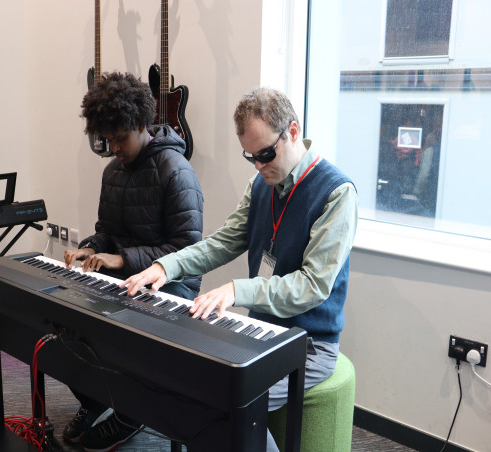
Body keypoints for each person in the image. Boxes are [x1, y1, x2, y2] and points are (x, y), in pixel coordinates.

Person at [122, 87, 359, 451]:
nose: (259, 165)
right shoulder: (261, 185)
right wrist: (165, 267)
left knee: (226, 404)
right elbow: (222, 242)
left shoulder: (337, 193)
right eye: (251, 157)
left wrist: (236, 290)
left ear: (293, 132)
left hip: (309, 344)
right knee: (187, 384)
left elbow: (312, 285)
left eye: (265, 154)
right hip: (259, 330)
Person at [61, 72, 203, 451]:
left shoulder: (176, 171)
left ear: (142, 126)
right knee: (65, 329)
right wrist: (91, 248)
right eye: (108, 141)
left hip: (169, 286)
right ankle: (95, 402)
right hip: (123, 277)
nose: (114, 149)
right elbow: (106, 229)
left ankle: (130, 413)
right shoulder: (113, 171)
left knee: (122, 342)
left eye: (120, 139)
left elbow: (188, 250)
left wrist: (121, 259)